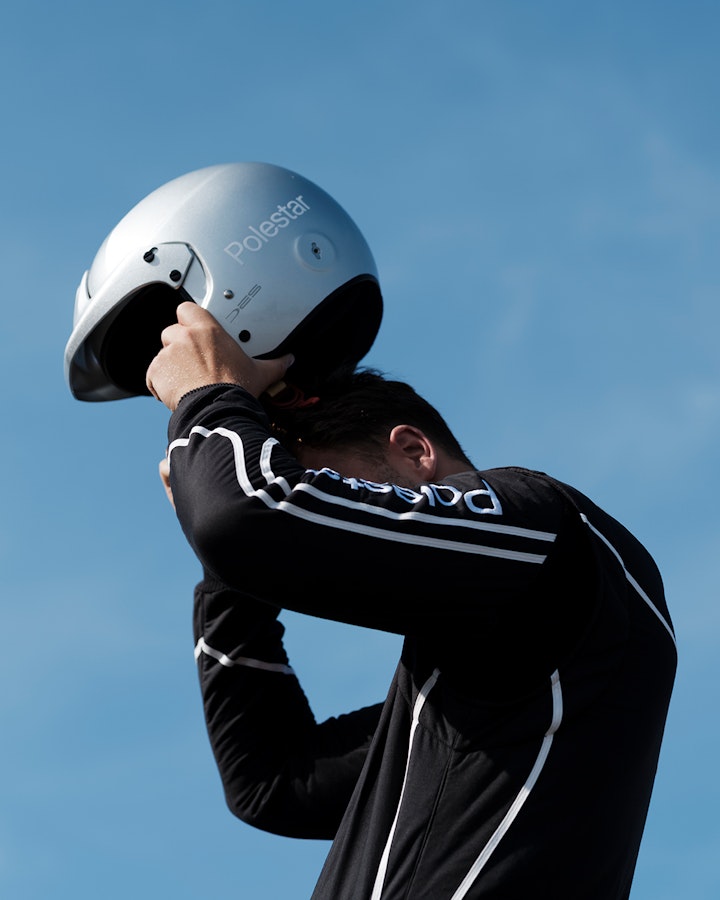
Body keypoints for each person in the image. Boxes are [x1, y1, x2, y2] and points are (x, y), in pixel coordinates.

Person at [147, 301, 676, 899]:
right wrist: (228, 573)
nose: (326, 521)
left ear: (414, 451)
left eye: (331, 489)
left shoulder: (546, 530)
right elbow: (275, 782)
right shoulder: (499, 684)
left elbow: (247, 519)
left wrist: (210, 396)